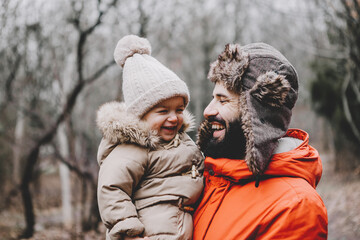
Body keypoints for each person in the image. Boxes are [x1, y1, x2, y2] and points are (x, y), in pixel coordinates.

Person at [193, 43, 328, 239]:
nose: (208, 110)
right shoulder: (208, 179)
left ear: (257, 114)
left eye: (223, 100)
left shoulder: (295, 206)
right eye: (213, 98)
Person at [96, 35, 204, 240]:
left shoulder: (182, 142)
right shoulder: (133, 148)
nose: (174, 118)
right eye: (163, 112)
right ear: (140, 116)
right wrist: (128, 230)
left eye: (179, 109)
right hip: (148, 234)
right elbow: (112, 188)